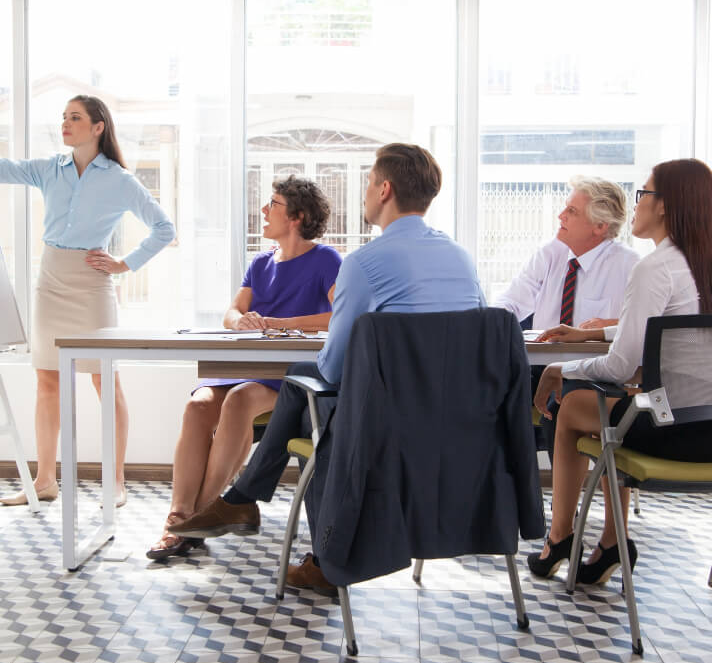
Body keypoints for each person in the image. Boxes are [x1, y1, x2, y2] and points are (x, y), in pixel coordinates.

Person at [171, 143, 486, 591]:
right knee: (304, 390)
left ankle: (256, 507)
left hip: (382, 427)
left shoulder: (364, 264)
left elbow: (334, 368)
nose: (364, 193)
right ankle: (243, 501)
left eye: (367, 182)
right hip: (455, 422)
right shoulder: (462, 259)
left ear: (385, 189)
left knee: (313, 399)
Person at [0, 95, 175, 507]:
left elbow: (163, 228)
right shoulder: (51, 169)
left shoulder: (119, 180)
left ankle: (115, 482)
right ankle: (45, 480)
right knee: (47, 380)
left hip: (92, 284)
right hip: (51, 280)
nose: (65, 123)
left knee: (105, 380)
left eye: (75, 118)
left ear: (98, 127)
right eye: (63, 117)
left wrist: (124, 264)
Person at [526, 158, 712, 585]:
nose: (636, 205)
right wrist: (599, 332)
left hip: (682, 431)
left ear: (665, 205)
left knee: (573, 403)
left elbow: (620, 364)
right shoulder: (709, 264)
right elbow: (665, 327)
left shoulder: (654, 267)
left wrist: (560, 366)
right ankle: (612, 541)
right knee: (616, 404)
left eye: (643, 194)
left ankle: (560, 536)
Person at [147, 176, 341, 560]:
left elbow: (338, 314)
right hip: (244, 364)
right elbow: (231, 312)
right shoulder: (261, 261)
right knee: (198, 405)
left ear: (297, 217)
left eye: (273, 204)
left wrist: (280, 323)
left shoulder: (326, 259)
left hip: (286, 375)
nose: (264, 211)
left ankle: (199, 518)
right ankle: (179, 515)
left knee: (238, 400)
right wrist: (243, 322)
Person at [495, 176, 639, 458]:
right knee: (486, 391)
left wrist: (611, 324)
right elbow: (511, 302)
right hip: (540, 367)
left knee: (562, 398)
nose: (561, 215)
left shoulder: (630, 265)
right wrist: (490, 321)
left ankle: (561, 501)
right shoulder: (550, 254)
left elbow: (641, 326)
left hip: (594, 372)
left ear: (600, 226)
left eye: (572, 211)